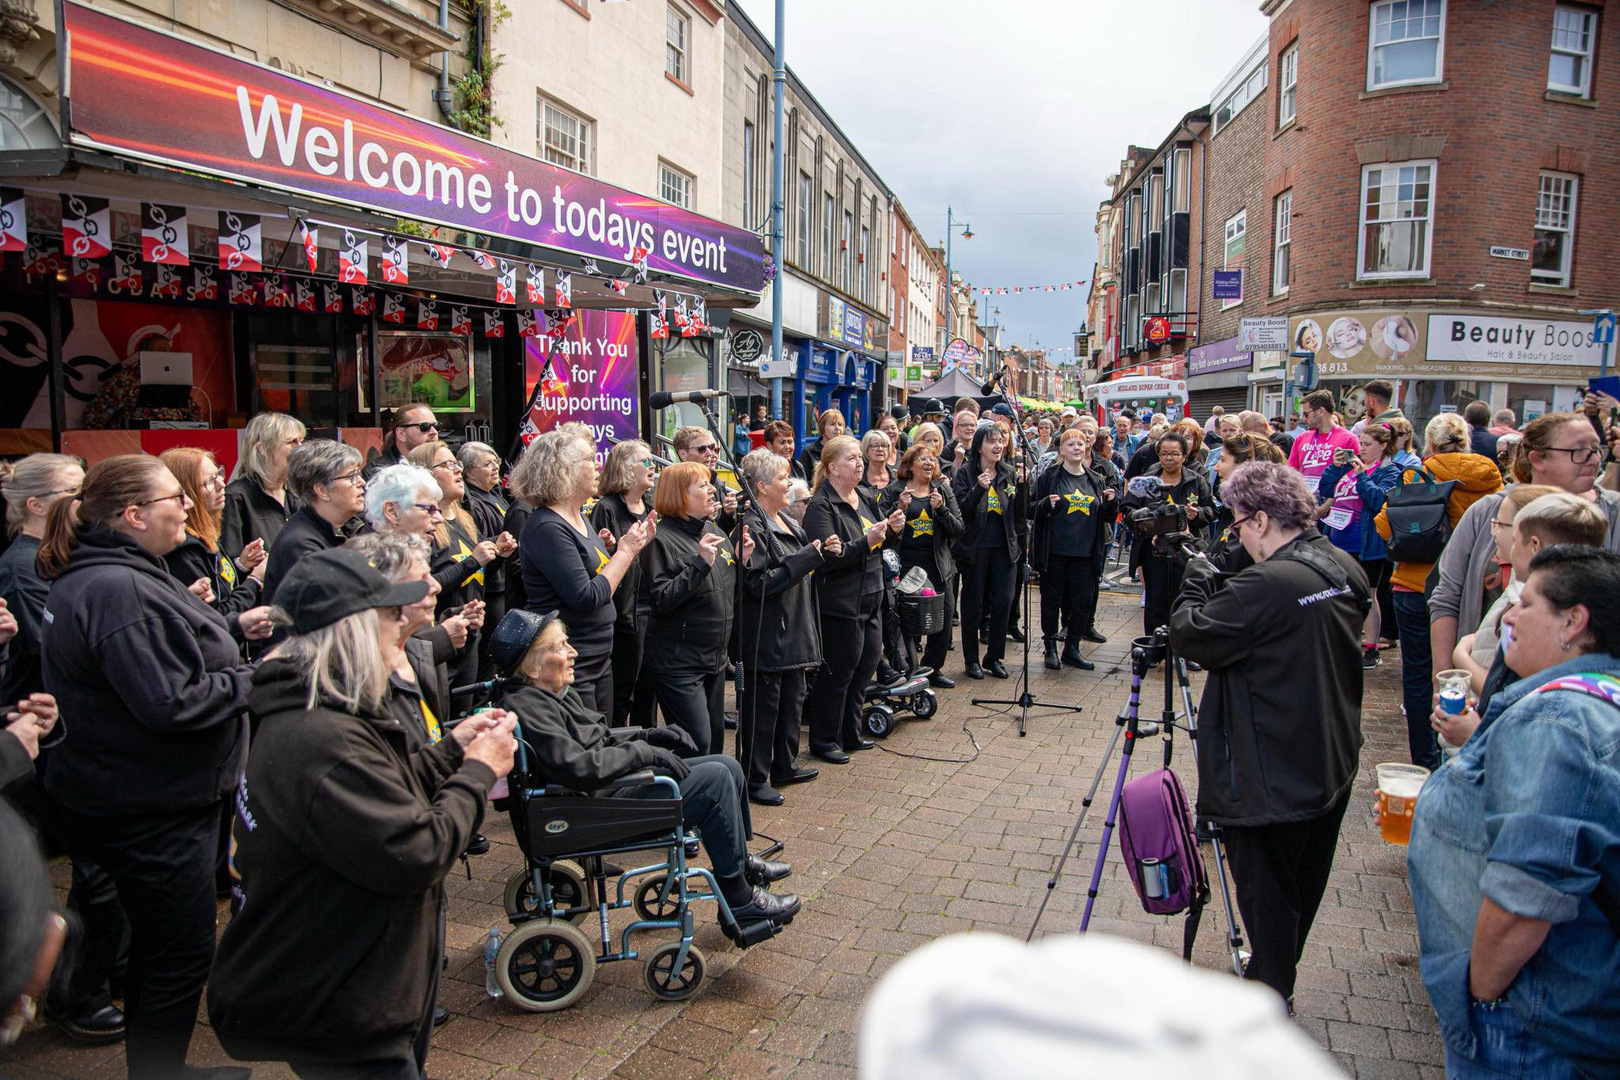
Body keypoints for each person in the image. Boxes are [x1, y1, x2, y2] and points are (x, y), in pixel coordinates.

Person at [208, 548, 516, 1080]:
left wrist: (449, 752)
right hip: (341, 999)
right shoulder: (324, 738)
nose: (400, 629)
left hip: (346, 979)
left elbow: (377, 793)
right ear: (351, 631)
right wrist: (478, 773)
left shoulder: (321, 708)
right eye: (388, 617)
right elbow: (417, 850)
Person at [37, 455, 254, 1080]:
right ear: (133, 514)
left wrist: (236, 622)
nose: (186, 505)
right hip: (153, 806)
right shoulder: (115, 587)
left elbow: (163, 654)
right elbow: (171, 703)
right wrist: (256, 678)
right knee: (180, 955)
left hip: (141, 795)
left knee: (159, 949)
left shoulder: (120, 572)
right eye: (172, 499)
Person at [1408, 546, 1620, 1079]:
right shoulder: (1599, 697)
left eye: (1525, 603)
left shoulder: (1558, 720)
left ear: (1573, 622)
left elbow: (1527, 894)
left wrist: (1481, 994)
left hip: (1529, 1025)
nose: (1507, 616)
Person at [1170, 462, 1370, 1006]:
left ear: (1260, 520)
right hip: (1327, 761)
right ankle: (1274, 972)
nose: (1236, 537)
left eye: (1236, 526)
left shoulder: (1267, 584)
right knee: (1300, 889)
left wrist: (1195, 576)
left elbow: (1193, 634)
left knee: (1267, 898)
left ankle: (1267, 999)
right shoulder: (1338, 562)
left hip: (1268, 776)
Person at [492, 609, 799, 926]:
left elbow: (597, 738)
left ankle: (742, 864)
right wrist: (643, 752)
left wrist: (647, 734)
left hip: (602, 791)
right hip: (591, 805)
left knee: (728, 766)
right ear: (532, 665)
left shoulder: (548, 692)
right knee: (717, 779)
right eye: (560, 647)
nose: (572, 653)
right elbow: (580, 767)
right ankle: (739, 899)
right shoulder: (529, 707)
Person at [0, 455, 127, 1047]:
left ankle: (94, 977)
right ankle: (74, 992)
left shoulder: (52, 560)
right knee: (95, 872)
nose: (82, 501)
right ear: (34, 504)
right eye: (72, 491)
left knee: (101, 873)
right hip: (44, 742)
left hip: (53, 735)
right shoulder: (22, 569)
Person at [1428, 411, 1620, 688]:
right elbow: (1447, 596)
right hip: (1482, 680)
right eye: (1578, 450)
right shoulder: (1488, 511)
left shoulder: (1612, 512)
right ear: (1538, 458)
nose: (1593, 458)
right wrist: (1445, 678)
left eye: (1595, 448)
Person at [1373, 413, 1503, 770]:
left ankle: (1425, 761)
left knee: (1418, 676)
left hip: (1416, 584)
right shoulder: (1490, 477)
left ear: (1429, 442)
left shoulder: (1419, 473)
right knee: (1466, 671)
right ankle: (1460, 754)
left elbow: (1384, 524)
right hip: (1471, 590)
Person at [511, 425, 653, 718]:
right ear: (564, 470)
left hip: (597, 653)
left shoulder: (577, 516)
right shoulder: (547, 526)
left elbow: (601, 578)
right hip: (572, 659)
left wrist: (617, 552)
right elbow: (587, 596)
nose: (598, 464)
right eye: (590, 459)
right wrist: (626, 552)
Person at [735, 449, 826, 804]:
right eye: (782, 478)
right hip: (770, 634)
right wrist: (805, 559)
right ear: (761, 487)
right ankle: (755, 778)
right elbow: (757, 584)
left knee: (792, 700)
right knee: (764, 709)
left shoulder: (787, 520)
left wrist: (821, 550)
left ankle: (785, 765)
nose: (788, 483)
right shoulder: (753, 525)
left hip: (796, 630)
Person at [802, 435, 901, 759]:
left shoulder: (864, 495)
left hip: (871, 596)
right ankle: (824, 740)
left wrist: (890, 530)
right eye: (852, 459)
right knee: (839, 672)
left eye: (860, 458)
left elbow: (873, 543)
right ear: (832, 467)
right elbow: (831, 557)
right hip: (841, 601)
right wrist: (866, 541)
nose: (860, 463)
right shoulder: (821, 505)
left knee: (866, 666)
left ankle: (850, 731)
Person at [641, 461, 748, 756]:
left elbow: (725, 590)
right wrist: (699, 564)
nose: (712, 489)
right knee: (695, 742)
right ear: (680, 495)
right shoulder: (660, 540)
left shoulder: (713, 530)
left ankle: (707, 799)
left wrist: (743, 562)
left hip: (714, 660)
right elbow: (662, 600)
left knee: (714, 743)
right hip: (678, 663)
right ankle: (680, 798)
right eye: (702, 485)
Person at [407, 442, 504, 704]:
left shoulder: (464, 518)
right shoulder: (423, 530)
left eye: (456, 463)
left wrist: (498, 555)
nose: (457, 470)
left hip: (472, 633)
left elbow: (476, 575)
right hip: (439, 637)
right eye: (447, 465)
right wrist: (471, 562)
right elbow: (428, 586)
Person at [160, 448, 275, 645]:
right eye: (209, 482)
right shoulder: (184, 552)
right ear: (186, 493)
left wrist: (241, 566)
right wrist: (255, 580)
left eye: (219, 474)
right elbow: (217, 617)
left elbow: (221, 590)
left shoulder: (204, 533)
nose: (222, 484)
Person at [1313, 423, 1402, 668]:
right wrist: (1335, 467)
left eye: (1368, 445)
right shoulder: (1351, 470)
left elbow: (1378, 500)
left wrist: (1363, 475)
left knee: (1368, 594)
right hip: (1339, 539)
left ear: (1383, 446)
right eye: (1360, 444)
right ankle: (1345, 643)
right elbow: (1326, 490)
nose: (1362, 449)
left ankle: (1371, 649)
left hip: (1367, 544)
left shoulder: (1390, 471)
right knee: (1341, 593)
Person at [1032, 426, 1116, 671]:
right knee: (1051, 601)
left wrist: (1112, 503)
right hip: (1056, 552)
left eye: (1080, 444)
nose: (1077, 448)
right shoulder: (1050, 476)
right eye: (1071, 444)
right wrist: (1045, 504)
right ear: (1062, 449)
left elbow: (1107, 517)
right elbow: (1031, 508)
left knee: (1083, 601)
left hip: (1086, 553)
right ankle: (1050, 648)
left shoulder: (1095, 479)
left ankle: (1072, 648)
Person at [881, 444, 962, 689]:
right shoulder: (894, 491)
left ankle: (932, 669)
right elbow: (881, 528)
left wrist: (942, 509)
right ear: (910, 464)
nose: (929, 463)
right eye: (923, 459)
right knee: (901, 620)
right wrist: (899, 508)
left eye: (932, 459)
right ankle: (904, 667)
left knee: (943, 617)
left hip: (938, 567)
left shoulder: (942, 491)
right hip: (904, 567)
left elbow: (958, 528)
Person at [590, 440, 657, 728]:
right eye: (646, 461)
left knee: (648, 690)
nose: (653, 465)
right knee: (621, 691)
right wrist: (612, 547)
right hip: (621, 613)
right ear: (627, 469)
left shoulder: (653, 507)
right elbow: (594, 562)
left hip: (651, 609)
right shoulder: (606, 508)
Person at [1121, 431, 1212, 634]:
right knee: (1156, 599)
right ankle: (1156, 646)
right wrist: (1147, 519)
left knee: (1185, 598)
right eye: (1164, 454)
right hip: (1154, 551)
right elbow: (1127, 511)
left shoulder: (1196, 481)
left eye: (1174, 454)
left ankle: (1185, 648)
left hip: (1186, 549)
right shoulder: (1146, 480)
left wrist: (1196, 514)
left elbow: (1211, 511)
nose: (1168, 459)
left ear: (1184, 456)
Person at [951, 420, 1021, 679]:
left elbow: (1018, 513)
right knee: (973, 605)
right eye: (992, 441)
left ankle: (994, 657)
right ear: (979, 446)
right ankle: (972, 660)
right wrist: (979, 489)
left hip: (1004, 548)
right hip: (975, 548)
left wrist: (1024, 488)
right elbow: (961, 511)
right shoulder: (966, 474)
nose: (998, 445)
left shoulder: (1009, 472)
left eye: (1001, 441)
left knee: (1003, 601)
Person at [261, 439, 366, 604]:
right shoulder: (300, 545)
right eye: (351, 476)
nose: (362, 483)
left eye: (358, 474)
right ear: (322, 490)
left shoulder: (343, 527)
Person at [459, 440, 512, 681]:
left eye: (496, 462)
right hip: (490, 588)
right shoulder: (472, 504)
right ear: (469, 472)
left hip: (505, 582)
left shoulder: (496, 495)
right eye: (487, 464)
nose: (494, 467)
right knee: (489, 658)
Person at [221, 411, 304, 563]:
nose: (300, 448)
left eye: (301, 441)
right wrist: (243, 564)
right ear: (263, 449)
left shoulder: (299, 492)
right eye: (292, 442)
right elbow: (228, 567)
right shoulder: (236, 497)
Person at [674, 425, 740, 531]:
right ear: (683, 454)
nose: (710, 454)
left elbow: (725, 529)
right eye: (702, 449)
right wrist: (704, 518)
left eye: (712, 448)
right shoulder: (675, 484)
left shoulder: (715, 481)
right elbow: (674, 528)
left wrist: (728, 513)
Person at [1287, 390, 1359, 484]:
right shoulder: (1301, 438)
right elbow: (1291, 472)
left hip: (1330, 496)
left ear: (1321, 411)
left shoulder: (1348, 440)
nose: (1303, 419)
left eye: (1306, 414)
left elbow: (1351, 477)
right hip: (1303, 496)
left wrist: (1331, 498)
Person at [363, 403, 438, 480]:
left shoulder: (445, 465)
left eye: (436, 426)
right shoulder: (377, 474)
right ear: (401, 433)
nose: (434, 432)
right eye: (425, 426)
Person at [797, 408, 847, 483]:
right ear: (822, 428)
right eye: (832, 424)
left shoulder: (847, 451)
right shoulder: (809, 452)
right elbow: (802, 481)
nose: (837, 428)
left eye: (840, 425)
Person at [858, 429, 896, 502]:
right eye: (875, 446)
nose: (880, 449)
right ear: (866, 450)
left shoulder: (896, 478)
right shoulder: (858, 478)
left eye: (884, 446)